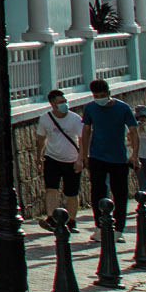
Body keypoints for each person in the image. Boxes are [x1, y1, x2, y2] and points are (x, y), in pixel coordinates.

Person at [80, 78, 141, 233]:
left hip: (119, 158)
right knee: (97, 192)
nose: (99, 99)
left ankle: (119, 229)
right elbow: (86, 131)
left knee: (120, 194)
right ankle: (100, 226)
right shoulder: (90, 108)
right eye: (96, 96)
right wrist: (83, 155)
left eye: (102, 95)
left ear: (108, 93)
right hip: (97, 156)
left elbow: (133, 131)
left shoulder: (123, 108)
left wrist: (134, 154)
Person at [36, 89, 85, 227]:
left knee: (71, 192)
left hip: (71, 159)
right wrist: (39, 157)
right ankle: (51, 217)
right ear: (52, 104)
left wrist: (80, 159)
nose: (64, 104)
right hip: (52, 158)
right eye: (60, 102)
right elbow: (41, 139)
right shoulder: (45, 118)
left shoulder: (75, 119)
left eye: (65, 101)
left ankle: (71, 220)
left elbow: (83, 139)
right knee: (51, 188)